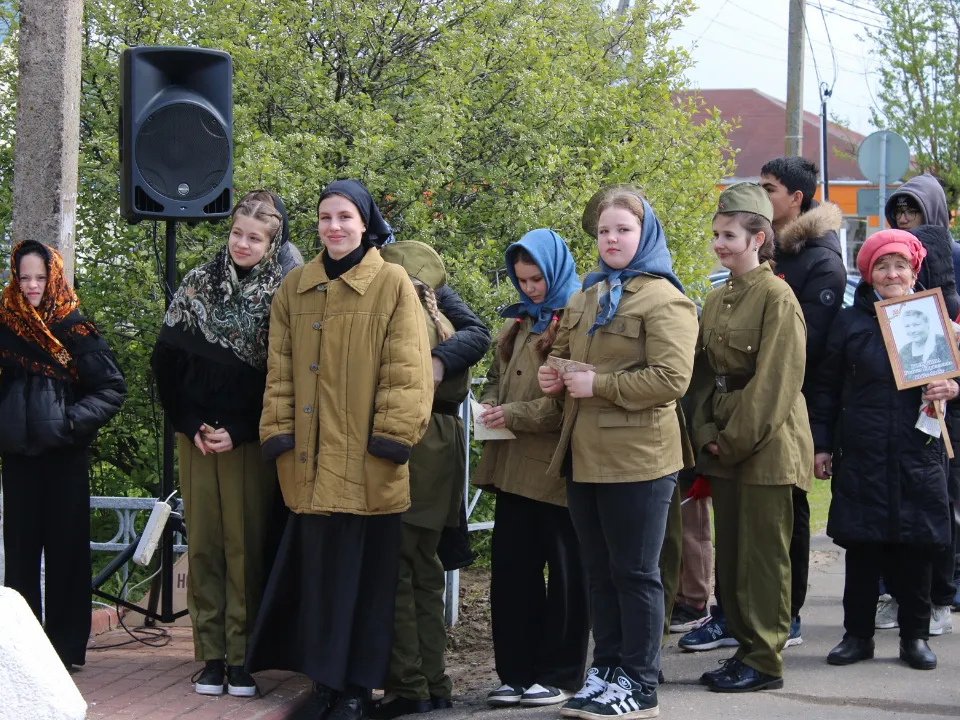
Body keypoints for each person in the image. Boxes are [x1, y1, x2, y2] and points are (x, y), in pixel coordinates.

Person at [247, 179, 434, 720]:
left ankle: (357, 688)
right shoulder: (296, 286)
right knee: (321, 582)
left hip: (369, 464)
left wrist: (391, 441)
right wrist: (277, 437)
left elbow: (409, 374)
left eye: (345, 217)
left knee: (367, 585)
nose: (334, 227)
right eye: (326, 217)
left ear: (365, 223)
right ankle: (326, 683)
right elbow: (278, 374)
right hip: (306, 464)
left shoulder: (393, 283)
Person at [538, 187, 698, 719]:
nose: (611, 239)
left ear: (644, 234)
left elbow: (672, 379)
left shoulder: (665, 299)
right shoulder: (585, 296)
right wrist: (553, 373)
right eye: (604, 231)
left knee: (635, 572)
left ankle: (641, 684)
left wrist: (598, 384)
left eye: (623, 230)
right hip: (584, 455)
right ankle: (606, 670)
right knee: (598, 571)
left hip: (639, 459)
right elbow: (565, 356)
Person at [151, 195, 286, 697]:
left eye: (254, 237)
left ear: (272, 243)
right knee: (204, 545)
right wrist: (188, 423)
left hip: (247, 441)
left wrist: (242, 428)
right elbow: (165, 361)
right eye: (236, 234)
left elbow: (283, 375)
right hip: (198, 439)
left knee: (244, 548)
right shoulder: (197, 282)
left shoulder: (283, 292)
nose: (242, 244)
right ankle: (209, 657)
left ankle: (243, 657)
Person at [810, 229, 954, 671]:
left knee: (917, 548)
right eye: (882, 266)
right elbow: (827, 388)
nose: (892, 274)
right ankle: (857, 636)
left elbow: (953, 379)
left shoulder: (936, 319)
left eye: (900, 266)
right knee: (863, 548)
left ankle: (915, 637)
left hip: (918, 450)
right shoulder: (851, 323)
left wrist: (953, 386)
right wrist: (821, 445)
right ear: (868, 274)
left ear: (914, 271)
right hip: (863, 450)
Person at [688, 183, 812, 693]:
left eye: (730, 235)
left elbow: (776, 382)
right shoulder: (718, 297)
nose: (720, 243)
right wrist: (705, 432)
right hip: (723, 440)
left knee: (763, 558)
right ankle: (743, 648)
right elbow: (700, 375)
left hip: (766, 446)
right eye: (716, 234)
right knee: (732, 556)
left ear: (758, 238)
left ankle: (765, 660)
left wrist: (732, 440)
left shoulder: (777, 297)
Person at [371, 240, 489, 718]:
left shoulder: (406, 320)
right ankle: (434, 681)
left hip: (412, 446)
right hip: (442, 448)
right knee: (424, 571)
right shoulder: (441, 318)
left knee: (396, 571)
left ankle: (408, 686)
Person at [472, 229, 588, 709]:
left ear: (555, 270)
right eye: (522, 280)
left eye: (537, 278)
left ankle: (559, 673)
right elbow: (500, 380)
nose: (531, 288)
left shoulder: (576, 316)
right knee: (512, 573)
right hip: (511, 468)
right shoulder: (520, 322)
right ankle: (516, 672)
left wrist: (511, 415)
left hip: (555, 470)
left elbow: (565, 402)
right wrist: (490, 405)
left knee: (564, 573)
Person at [0, 240, 127, 669]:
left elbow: (112, 388)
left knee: (67, 555)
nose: (32, 286)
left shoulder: (75, 328)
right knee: (18, 558)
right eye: (24, 278)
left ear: (53, 277)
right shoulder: (5, 325)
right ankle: (21, 654)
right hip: (17, 459)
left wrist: (70, 425)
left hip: (65, 459)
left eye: (39, 277)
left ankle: (66, 652)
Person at [883, 174, 960, 625]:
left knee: (939, 501)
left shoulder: (948, 254)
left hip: (942, 388)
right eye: (899, 211)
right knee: (905, 502)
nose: (906, 219)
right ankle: (905, 594)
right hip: (901, 391)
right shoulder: (889, 255)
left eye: (912, 210)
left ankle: (939, 593)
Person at [897, 308, 954, 382]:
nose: (912, 330)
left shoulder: (944, 342)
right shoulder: (904, 351)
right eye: (907, 326)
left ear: (927, 323)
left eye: (916, 325)